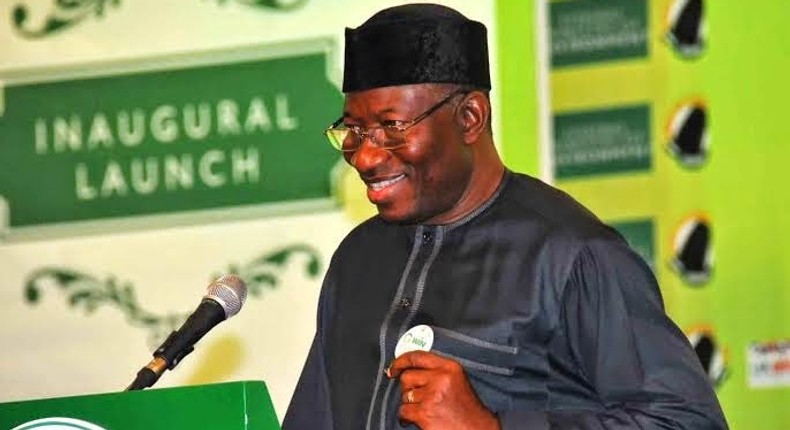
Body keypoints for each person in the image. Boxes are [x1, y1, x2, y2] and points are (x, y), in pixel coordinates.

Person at [282, 3, 727, 429]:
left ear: (470, 117)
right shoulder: (358, 258)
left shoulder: (571, 257)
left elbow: (685, 421)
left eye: (392, 128)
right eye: (354, 131)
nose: (364, 157)